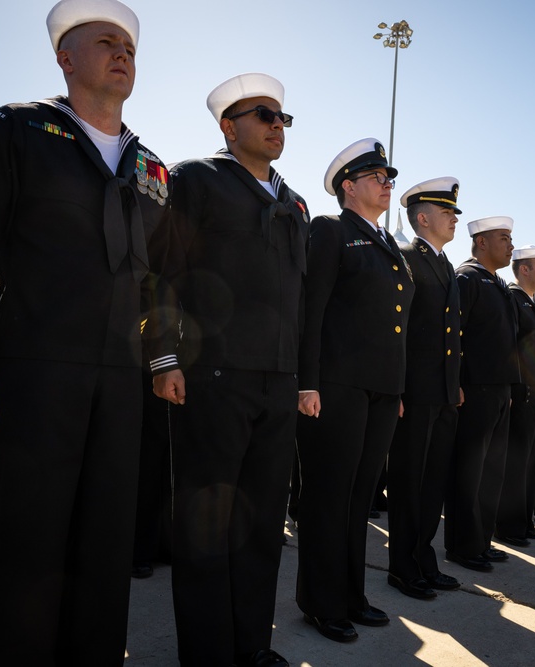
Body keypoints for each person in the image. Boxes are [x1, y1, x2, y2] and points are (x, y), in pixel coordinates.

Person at [0, 2, 170, 662]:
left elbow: (157, 275)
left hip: (119, 382)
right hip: (33, 372)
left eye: (129, 44)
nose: (122, 51)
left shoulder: (147, 165)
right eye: (105, 40)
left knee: (104, 551)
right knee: (27, 550)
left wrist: (160, 357)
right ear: (64, 58)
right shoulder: (17, 130)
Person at [150, 72, 308, 667]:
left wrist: (302, 377)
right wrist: (165, 356)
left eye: (282, 119)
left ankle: (252, 644)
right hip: (212, 377)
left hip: (278, 380)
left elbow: (300, 300)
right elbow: (161, 269)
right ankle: (208, 652)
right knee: (206, 525)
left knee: (264, 524)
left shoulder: (294, 203)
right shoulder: (196, 180)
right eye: (263, 115)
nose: (275, 126)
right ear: (228, 126)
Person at [296, 138, 413, 643]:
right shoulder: (331, 230)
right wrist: (308, 383)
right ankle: (322, 602)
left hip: (382, 391)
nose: (388, 184)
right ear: (348, 186)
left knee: (360, 498)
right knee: (328, 497)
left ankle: (351, 595)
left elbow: (396, 325)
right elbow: (312, 310)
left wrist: (396, 388)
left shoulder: (387, 244)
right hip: (337, 388)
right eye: (377, 177)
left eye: (389, 177)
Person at [387, 178, 463, 600]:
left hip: (442, 393)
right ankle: (402, 566)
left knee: (432, 481)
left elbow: (451, 333)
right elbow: (400, 332)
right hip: (414, 391)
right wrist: (397, 388)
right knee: (408, 481)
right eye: (447, 212)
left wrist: (454, 387)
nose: (453, 218)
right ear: (422, 218)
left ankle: (424, 560)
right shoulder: (405, 257)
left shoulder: (444, 262)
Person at [445, 216, 518, 572]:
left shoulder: (497, 283)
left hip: (499, 389)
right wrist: (456, 381)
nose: (510, 245)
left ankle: (481, 541)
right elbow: (453, 335)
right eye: (503, 238)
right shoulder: (468, 278)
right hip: (474, 388)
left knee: (491, 473)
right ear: (482, 242)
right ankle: (462, 545)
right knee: (468, 471)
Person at [495, 245, 535, 547]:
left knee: (530, 458)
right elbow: (512, 348)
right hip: (522, 391)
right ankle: (508, 525)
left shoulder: (532, 303)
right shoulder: (514, 299)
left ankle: (524, 520)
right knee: (516, 460)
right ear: (524, 269)